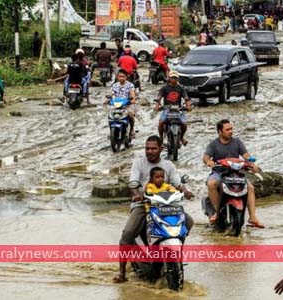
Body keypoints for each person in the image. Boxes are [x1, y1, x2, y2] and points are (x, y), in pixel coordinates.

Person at [113, 135, 194, 283]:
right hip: (144, 205)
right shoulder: (138, 163)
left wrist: (186, 191)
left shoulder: (169, 165)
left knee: (188, 221)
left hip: (167, 206)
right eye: (147, 148)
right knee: (128, 233)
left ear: (161, 149)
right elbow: (133, 182)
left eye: (153, 148)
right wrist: (137, 194)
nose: (149, 151)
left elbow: (177, 183)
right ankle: (122, 272)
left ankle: (176, 254)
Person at [203, 119, 263, 227]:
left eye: (231, 129)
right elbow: (206, 157)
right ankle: (217, 212)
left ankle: (253, 217)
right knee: (211, 184)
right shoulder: (213, 144)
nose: (230, 131)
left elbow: (246, 156)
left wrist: (252, 164)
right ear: (220, 132)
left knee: (250, 188)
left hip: (236, 172)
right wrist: (209, 162)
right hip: (219, 173)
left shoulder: (237, 142)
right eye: (227, 129)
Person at [155, 71, 191, 145]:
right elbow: (159, 97)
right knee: (161, 122)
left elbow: (186, 98)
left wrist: (188, 106)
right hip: (167, 109)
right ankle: (161, 138)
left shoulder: (181, 88)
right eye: (172, 78)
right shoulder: (164, 88)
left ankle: (181, 137)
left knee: (184, 123)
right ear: (169, 78)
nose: (174, 79)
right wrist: (157, 105)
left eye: (175, 78)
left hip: (178, 109)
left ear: (178, 79)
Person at [111, 69, 137, 139]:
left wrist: (133, 99)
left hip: (128, 105)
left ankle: (131, 129)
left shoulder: (130, 85)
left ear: (126, 77)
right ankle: (111, 132)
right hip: (117, 105)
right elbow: (113, 95)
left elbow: (133, 94)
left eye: (123, 76)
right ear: (117, 77)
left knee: (130, 115)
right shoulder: (114, 85)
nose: (121, 78)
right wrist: (110, 100)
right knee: (110, 116)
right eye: (120, 76)